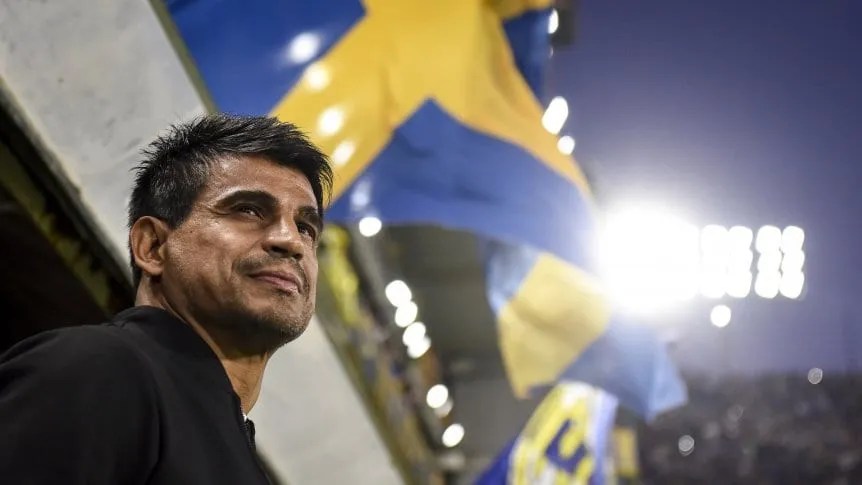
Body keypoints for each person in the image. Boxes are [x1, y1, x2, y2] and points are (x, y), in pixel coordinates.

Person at [0, 114, 333, 484]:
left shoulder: (228, 445)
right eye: (248, 210)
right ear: (153, 246)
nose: (290, 241)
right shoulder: (101, 368)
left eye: (306, 228)